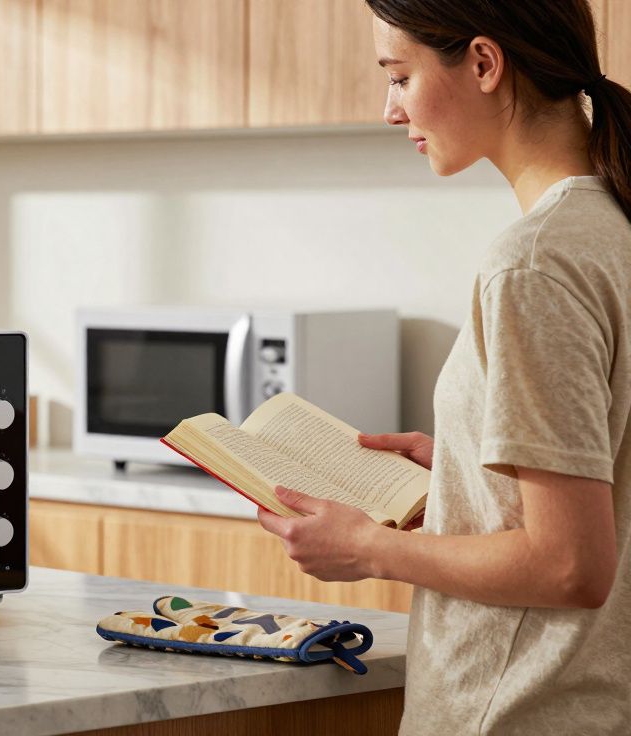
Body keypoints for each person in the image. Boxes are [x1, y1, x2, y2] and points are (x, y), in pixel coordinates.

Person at [255, 1, 631, 733]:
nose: (389, 109)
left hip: (515, 708)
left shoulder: (534, 265)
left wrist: (370, 547)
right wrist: (466, 467)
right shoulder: (611, 230)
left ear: (485, 64)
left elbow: (570, 567)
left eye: (399, 76)